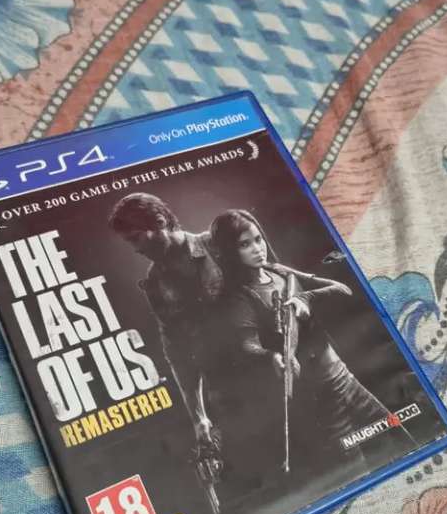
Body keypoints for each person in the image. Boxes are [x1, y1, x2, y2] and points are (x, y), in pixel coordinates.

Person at [209, 210, 393, 482]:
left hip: (344, 377)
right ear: (229, 252)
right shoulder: (238, 298)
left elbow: (341, 289)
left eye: (258, 239)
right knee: (355, 473)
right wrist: (270, 356)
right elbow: (247, 344)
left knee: (397, 433)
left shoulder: (279, 271)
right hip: (318, 397)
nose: (257, 249)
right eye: (244, 244)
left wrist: (306, 298)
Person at [108, 193, 224, 449]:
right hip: (232, 390)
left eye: (136, 238)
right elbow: (178, 352)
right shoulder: (154, 283)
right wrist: (199, 419)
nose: (136, 249)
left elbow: (275, 283)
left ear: (160, 222)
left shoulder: (216, 243)